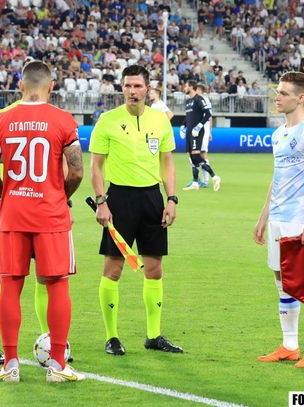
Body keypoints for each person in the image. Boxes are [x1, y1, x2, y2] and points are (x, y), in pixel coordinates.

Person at [0, 60, 85, 383]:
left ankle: (10, 364)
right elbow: (77, 170)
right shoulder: (63, 120)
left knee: (10, 284)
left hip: (13, 214)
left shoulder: (2, 119)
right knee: (57, 284)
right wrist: (61, 195)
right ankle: (58, 365)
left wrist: (8, 192)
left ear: (20, 86)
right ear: (51, 86)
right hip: (50, 214)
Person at [89, 65, 183, 356]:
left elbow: (167, 162)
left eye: (137, 86)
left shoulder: (160, 120)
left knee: (154, 269)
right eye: (128, 86)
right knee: (113, 269)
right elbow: (96, 166)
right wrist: (101, 202)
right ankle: (112, 337)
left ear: (147, 89)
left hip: (152, 199)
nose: (132, 91)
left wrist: (171, 199)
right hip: (119, 200)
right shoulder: (107, 120)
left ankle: (153, 336)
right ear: (122, 88)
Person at [254, 71, 304, 368]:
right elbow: (277, 178)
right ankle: (289, 346)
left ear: (300, 98)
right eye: (278, 91)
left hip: (299, 221)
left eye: (284, 93)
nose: (277, 97)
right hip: (278, 219)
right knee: (282, 283)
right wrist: (263, 217)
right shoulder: (278, 134)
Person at [181, 80, 221, 191]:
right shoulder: (188, 101)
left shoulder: (199, 99)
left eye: (186, 86)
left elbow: (208, 114)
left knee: (196, 156)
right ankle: (195, 183)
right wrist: (183, 125)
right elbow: (188, 116)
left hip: (197, 132)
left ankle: (215, 177)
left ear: (191, 87)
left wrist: (199, 126)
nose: (184, 88)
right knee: (191, 157)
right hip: (189, 132)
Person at [196, 83, 214, 188]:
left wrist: (210, 132)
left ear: (200, 90)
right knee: (195, 155)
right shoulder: (195, 100)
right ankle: (196, 179)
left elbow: (209, 117)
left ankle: (206, 180)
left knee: (203, 154)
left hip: (203, 130)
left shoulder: (205, 100)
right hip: (196, 131)